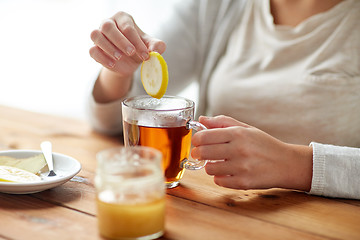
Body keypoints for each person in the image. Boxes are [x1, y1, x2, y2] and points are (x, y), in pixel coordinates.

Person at [88, 0, 360, 199]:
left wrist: (296, 164)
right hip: (217, 208)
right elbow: (113, 122)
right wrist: (118, 67)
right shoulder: (216, 6)